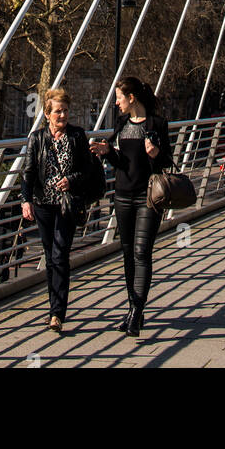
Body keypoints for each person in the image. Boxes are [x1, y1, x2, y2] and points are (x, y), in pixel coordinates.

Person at [91, 76, 173, 338]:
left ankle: (137, 312)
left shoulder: (157, 124)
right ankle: (132, 308)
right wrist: (107, 151)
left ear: (132, 98)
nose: (115, 103)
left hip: (148, 197)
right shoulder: (122, 124)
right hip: (123, 195)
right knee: (127, 253)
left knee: (141, 252)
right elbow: (122, 162)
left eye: (118, 98)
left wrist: (155, 154)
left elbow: (168, 160)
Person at [21, 85, 96, 333]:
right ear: (47, 114)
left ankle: (57, 313)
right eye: (57, 112)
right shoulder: (37, 139)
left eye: (65, 111)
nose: (62, 116)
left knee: (59, 254)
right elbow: (29, 173)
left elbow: (87, 171)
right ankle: (53, 306)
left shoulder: (77, 137)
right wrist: (26, 200)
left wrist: (71, 181)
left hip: (67, 204)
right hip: (43, 204)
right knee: (50, 255)